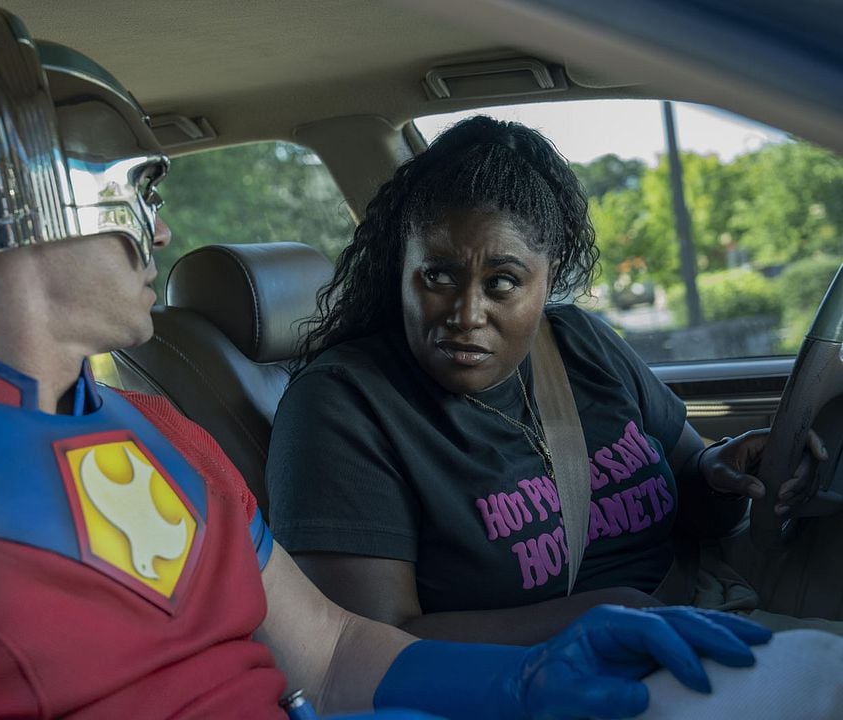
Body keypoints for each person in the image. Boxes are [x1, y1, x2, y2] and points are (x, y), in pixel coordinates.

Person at [0, 10, 789, 720]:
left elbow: (338, 655)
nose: (162, 232)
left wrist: (526, 683)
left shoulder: (161, 437)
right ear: (28, 196)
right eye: (141, 191)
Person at [266, 115, 833, 645]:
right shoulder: (344, 406)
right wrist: (593, 619)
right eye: (438, 275)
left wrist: (724, 471)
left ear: (549, 277)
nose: (466, 313)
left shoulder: (581, 344)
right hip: (537, 682)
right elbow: (363, 647)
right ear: (401, 267)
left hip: (703, 616)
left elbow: (693, 484)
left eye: (503, 282)